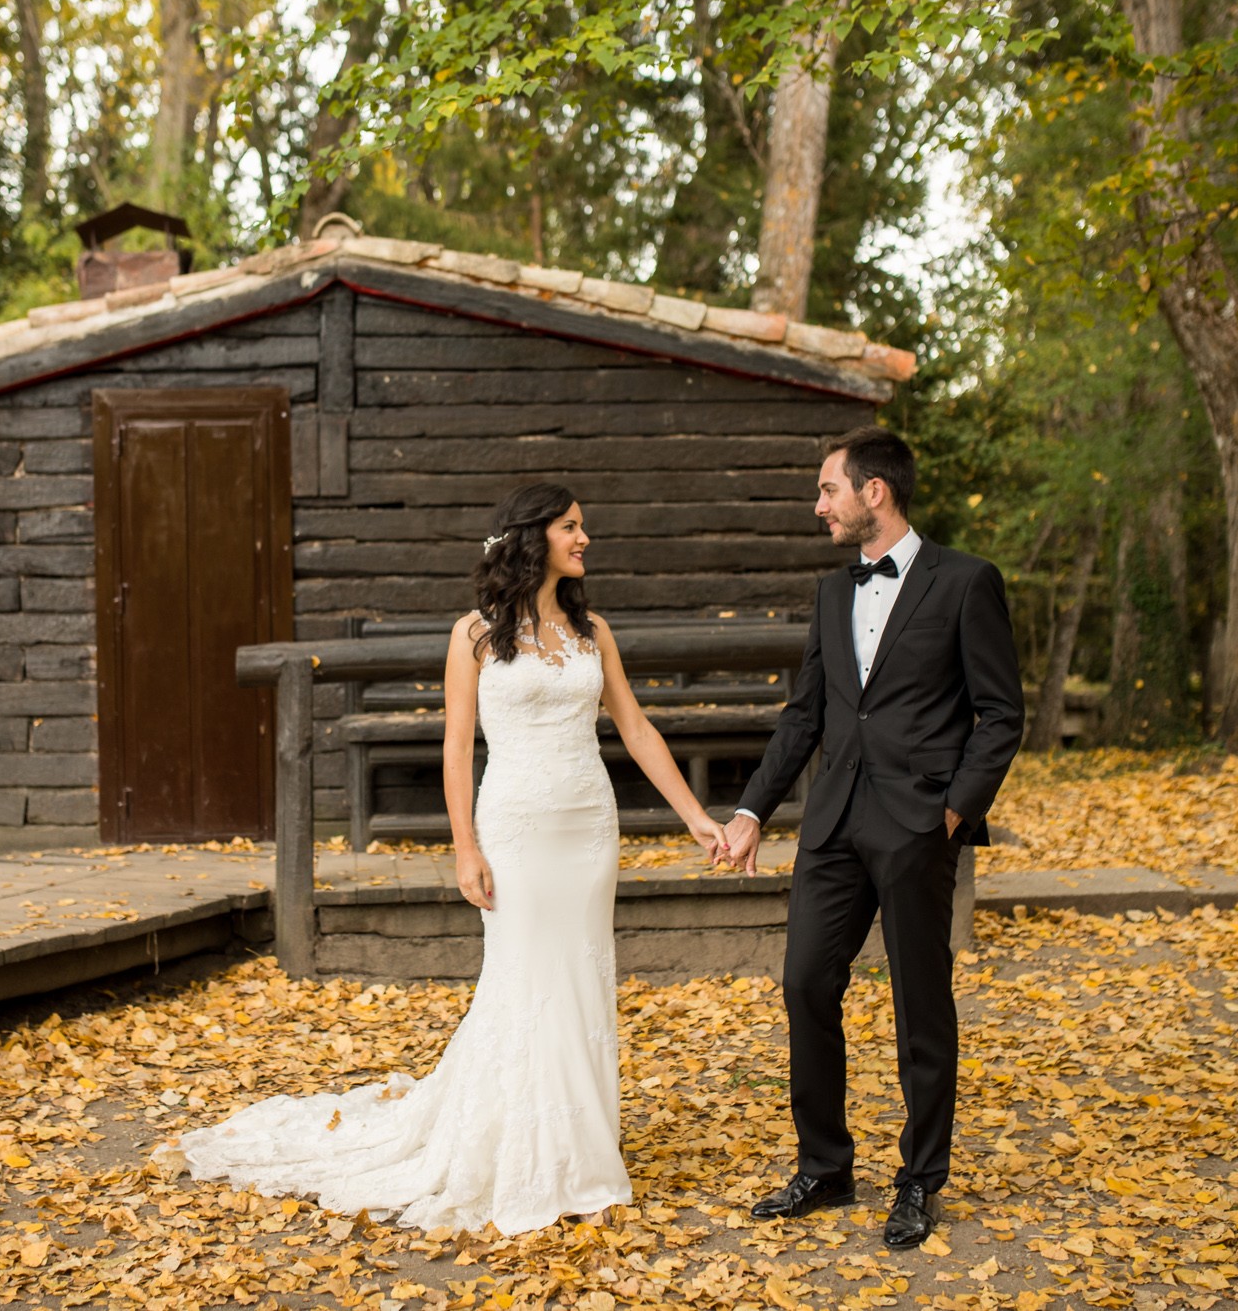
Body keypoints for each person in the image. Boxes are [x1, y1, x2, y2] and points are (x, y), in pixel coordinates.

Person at [169, 483, 729, 1234]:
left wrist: (695, 817)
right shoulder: (473, 634)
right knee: (524, 978)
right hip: (516, 826)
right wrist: (464, 845)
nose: (584, 538)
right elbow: (457, 747)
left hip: (588, 826)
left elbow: (634, 727)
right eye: (571, 526)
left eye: (583, 526)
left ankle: (581, 1153)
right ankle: (517, 1148)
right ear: (534, 537)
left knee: (582, 979)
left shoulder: (593, 630)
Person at [717, 426, 1023, 1249]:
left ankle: (920, 1180)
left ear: (873, 491)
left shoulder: (966, 583)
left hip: (919, 826)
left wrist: (951, 813)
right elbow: (807, 715)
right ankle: (826, 1165)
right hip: (833, 825)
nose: (819, 505)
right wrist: (751, 811)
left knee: (921, 1007)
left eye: (828, 489)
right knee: (806, 984)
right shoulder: (830, 592)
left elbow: (1001, 714)